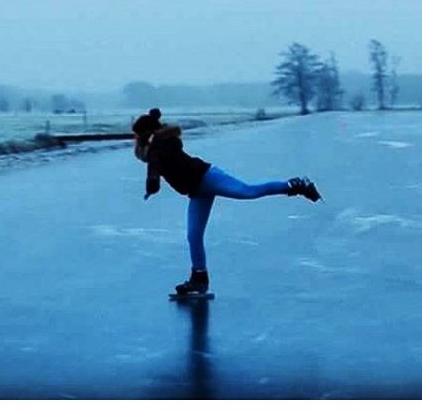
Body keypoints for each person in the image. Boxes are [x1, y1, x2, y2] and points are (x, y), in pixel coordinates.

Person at [132, 108, 321, 296]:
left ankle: (294, 185)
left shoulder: (158, 145)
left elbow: (154, 168)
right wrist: (152, 184)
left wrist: (152, 185)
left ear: (143, 135)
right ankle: (199, 279)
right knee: (193, 236)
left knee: (248, 191)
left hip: (208, 178)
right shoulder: (158, 145)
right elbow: (156, 165)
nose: (134, 139)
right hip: (197, 192)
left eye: (136, 135)